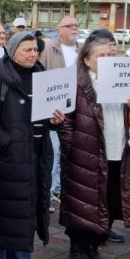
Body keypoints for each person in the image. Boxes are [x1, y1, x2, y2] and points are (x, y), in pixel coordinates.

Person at [0, 31, 58, 259]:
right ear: (13, 52)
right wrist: (9, 142)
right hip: (6, 160)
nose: (33, 54)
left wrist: (54, 120)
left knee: (28, 208)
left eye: (35, 50)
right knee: (2, 211)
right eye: (27, 50)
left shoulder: (42, 77)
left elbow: (42, 115)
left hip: (35, 154)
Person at [57, 37, 130, 259]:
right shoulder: (77, 83)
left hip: (118, 150)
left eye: (111, 55)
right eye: (101, 56)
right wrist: (72, 147)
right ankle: (78, 248)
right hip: (86, 151)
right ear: (87, 60)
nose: (108, 60)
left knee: (111, 199)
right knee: (83, 202)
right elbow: (65, 121)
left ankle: (95, 246)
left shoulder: (123, 79)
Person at [40, 16, 80, 206]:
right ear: (59, 30)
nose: (74, 28)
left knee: (74, 154)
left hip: (78, 110)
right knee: (54, 153)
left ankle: (66, 191)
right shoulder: (49, 50)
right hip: (55, 111)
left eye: (76, 25)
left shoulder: (82, 50)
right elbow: (41, 76)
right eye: (69, 26)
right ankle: (48, 193)